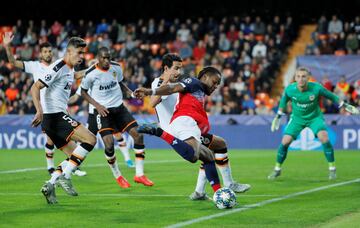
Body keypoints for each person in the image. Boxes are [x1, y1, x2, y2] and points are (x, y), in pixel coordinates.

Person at [150, 53, 250, 200]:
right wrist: (164, 80)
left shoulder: (180, 85)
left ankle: (201, 192)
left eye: (180, 68)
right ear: (166, 68)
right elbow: (152, 102)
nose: (179, 72)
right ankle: (222, 188)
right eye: (176, 68)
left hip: (186, 125)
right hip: (176, 131)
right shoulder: (158, 83)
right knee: (204, 154)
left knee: (218, 145)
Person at [2, 32, 86, 177]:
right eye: (45, 51)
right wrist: (7, 47)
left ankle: (68, 167)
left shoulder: (63, 66)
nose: (48, 53)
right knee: (62, 139)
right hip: (48, 109)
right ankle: (53, 168)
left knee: (74, 143)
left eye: (49, 51)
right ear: (40, 54)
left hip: (60, 108)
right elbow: (13, 62)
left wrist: (92, 69)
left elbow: (75, 75)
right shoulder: (34, 66)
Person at [135, 66, 226, 194]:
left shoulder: (199, 91)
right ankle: (159, 132)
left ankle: (219, 192)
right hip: (185, 122)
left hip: (189, 125)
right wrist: (149, 91)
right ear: (205, 77)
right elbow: (173, 88)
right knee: (194, 156)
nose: (215, 86)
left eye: (218, 84)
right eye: (214, 81)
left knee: (209, 156)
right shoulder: (194, 82)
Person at [31, 37, 97, 204]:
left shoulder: (69, 68)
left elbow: (74, 75)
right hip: (54, 116)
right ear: (69, 51)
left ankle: (50, 184)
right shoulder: (59, 66)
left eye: (84, 52)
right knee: (90, 139)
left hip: (53, 119)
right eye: (79, 52)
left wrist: (92, 69)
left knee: (73, 156)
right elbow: (35, 87)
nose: (82, 56)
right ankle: (65, 177)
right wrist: (39, 110)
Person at [80, 47, 153, 187]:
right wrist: (97, 105)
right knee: (109, 144)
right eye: (104, 58)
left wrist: (131, 94)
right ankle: (118, 176)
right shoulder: (90, 73)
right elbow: (83, 92)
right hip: (102, 112)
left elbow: (120, 83)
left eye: (109, 57)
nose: (107, 60)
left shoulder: (117, 68)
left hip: (119, 108)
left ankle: (140, 175)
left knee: (138, 135)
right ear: (98, 58)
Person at [269, 67, 359, 180]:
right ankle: (277, 169)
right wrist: (278, 116)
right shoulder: (290, 89)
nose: (301, 79)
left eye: (303, 76)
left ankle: (332, 169)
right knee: (285, 141)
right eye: (298, 76)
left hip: (314, 117)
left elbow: (332, 96)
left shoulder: (316, 88)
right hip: (297, 119)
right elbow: (283, 101)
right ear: (295, 78)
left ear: (308, 78)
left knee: (324, 138)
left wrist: (344, 105)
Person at [70, 83, 135, 168]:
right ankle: (74, 162)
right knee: (86, 139)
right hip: (93, 114)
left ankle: (128, 160)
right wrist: (63, 102)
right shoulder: (87, 81)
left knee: (118, 135)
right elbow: (76, 97)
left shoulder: (104, 78)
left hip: (107, 112)